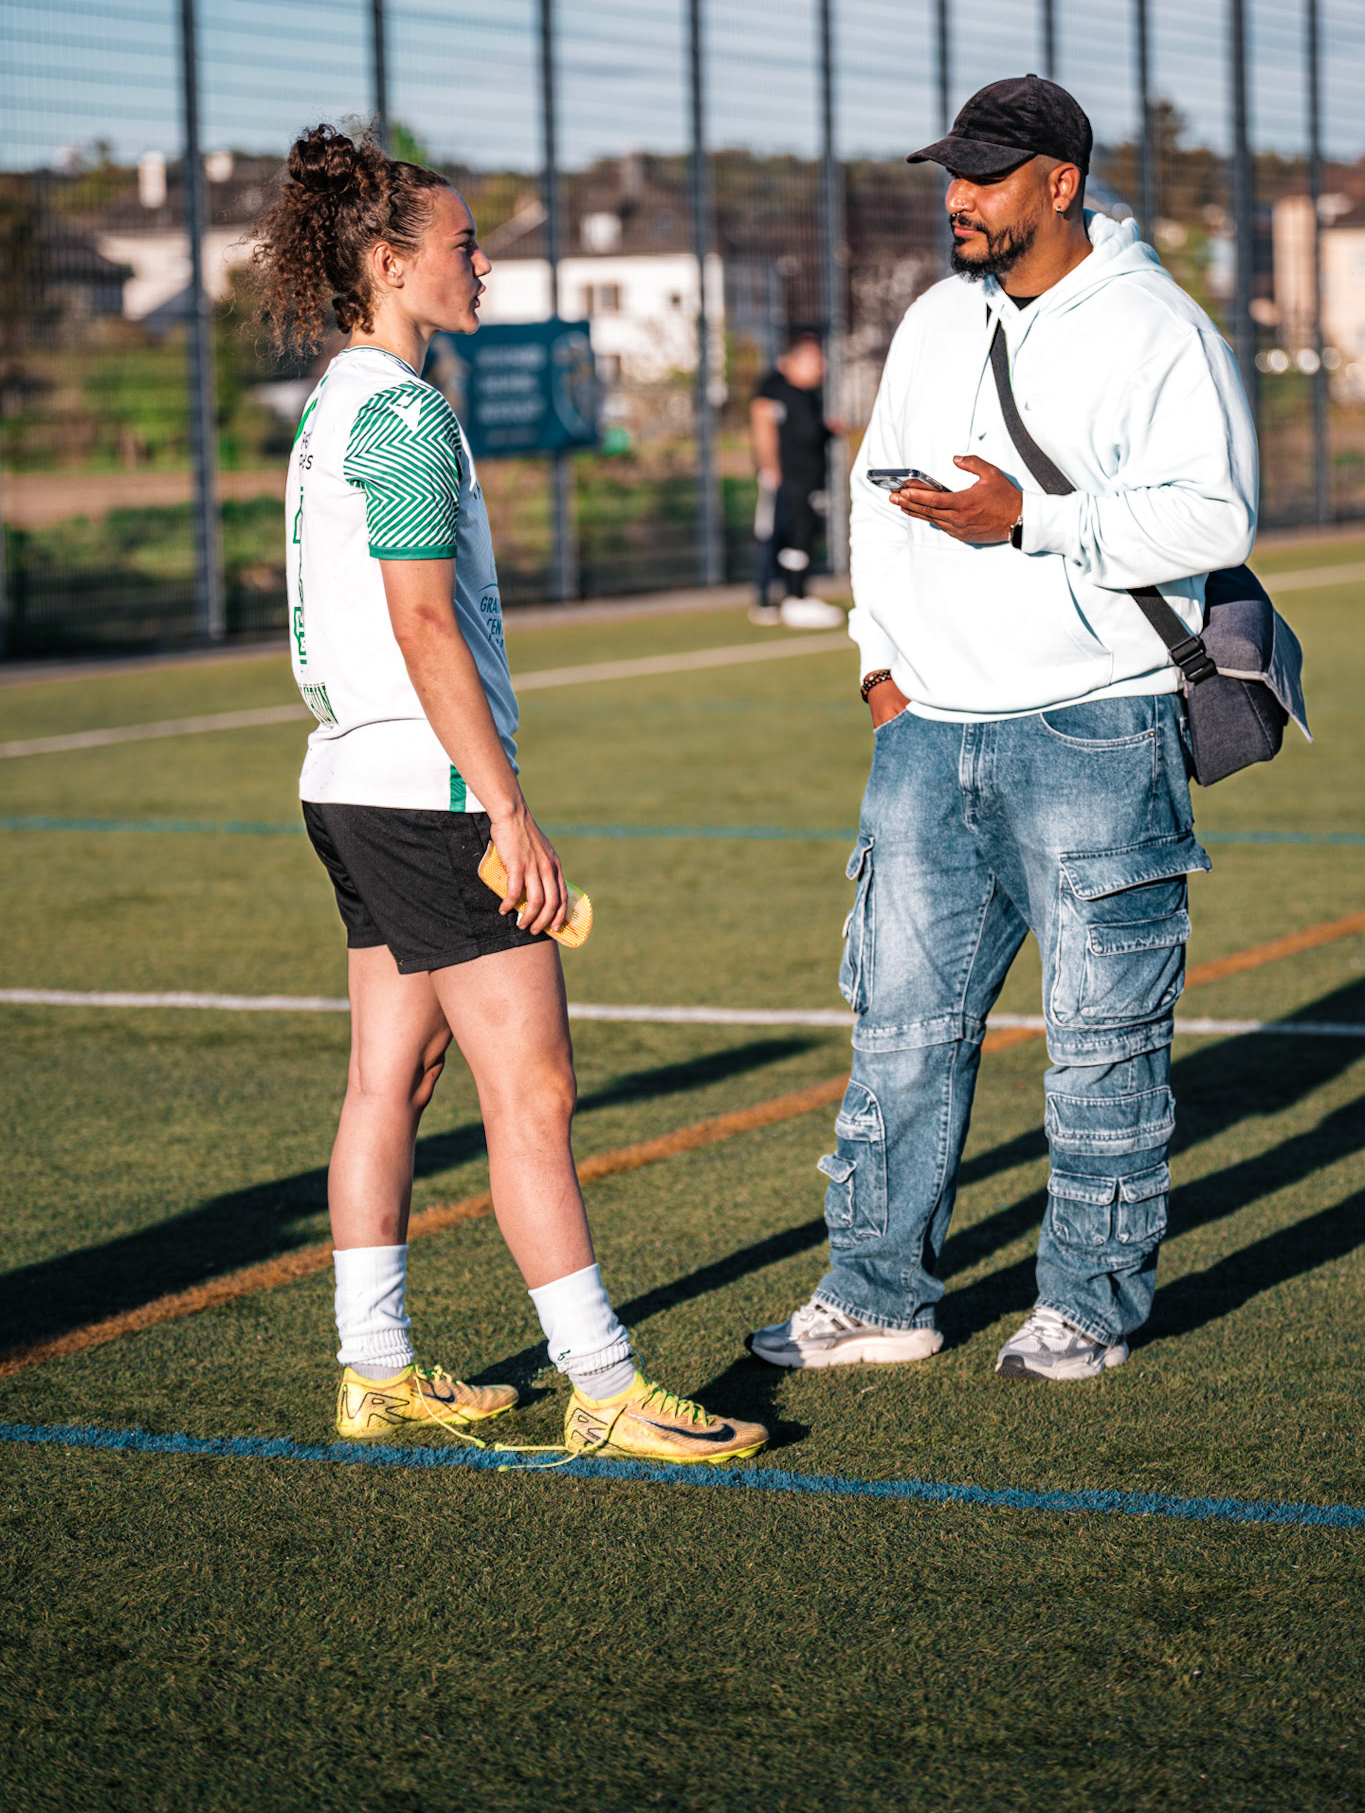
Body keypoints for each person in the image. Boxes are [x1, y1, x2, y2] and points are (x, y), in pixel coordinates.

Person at [254, 124, 765, 1463]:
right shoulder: (405, 414)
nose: (485, 262)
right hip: (423, 798)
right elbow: (424, 626)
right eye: (464, 243)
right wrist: (507, 810)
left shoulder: (331, 408)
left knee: (390, 1078)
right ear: (386, 261)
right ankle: (601, 1384)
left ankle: (375, 1372)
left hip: (347, 789)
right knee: (531, 1092)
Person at [750, 75, 1257, 1381]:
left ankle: (1084, 1306)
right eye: (949, 176)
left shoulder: (1155, 327)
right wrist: (878, 665)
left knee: (1099, 1052)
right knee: (897, 1043)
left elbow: (1214, 518)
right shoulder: (932, 318)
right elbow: (876, 491)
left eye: (982, 175)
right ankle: (877, 1296)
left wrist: (1030, 521)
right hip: (927, 735)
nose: (957, 199)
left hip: (1097, 731)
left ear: (1059, 182)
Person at [748, 328, 845, 630]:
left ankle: (796, 596)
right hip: (788, 480)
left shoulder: (808, 395)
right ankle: (776, 598)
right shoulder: (776, 388)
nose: (822, 366)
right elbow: (762, 422)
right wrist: (769, 467)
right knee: (776, 536)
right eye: (816, 359)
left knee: (802, 536)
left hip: (809, 480)